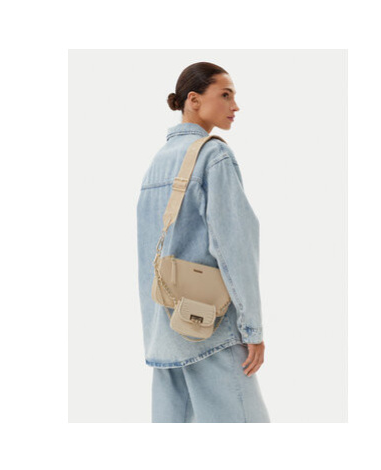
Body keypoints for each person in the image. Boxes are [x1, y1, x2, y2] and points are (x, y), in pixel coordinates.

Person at [136, 61, 270, 423]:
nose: (235, 106)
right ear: (193, 100)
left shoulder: (156, 163)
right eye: (225, 95)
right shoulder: (214, 156)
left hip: (164, 334)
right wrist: (252, 328)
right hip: (210, 329)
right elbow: (235, 248)